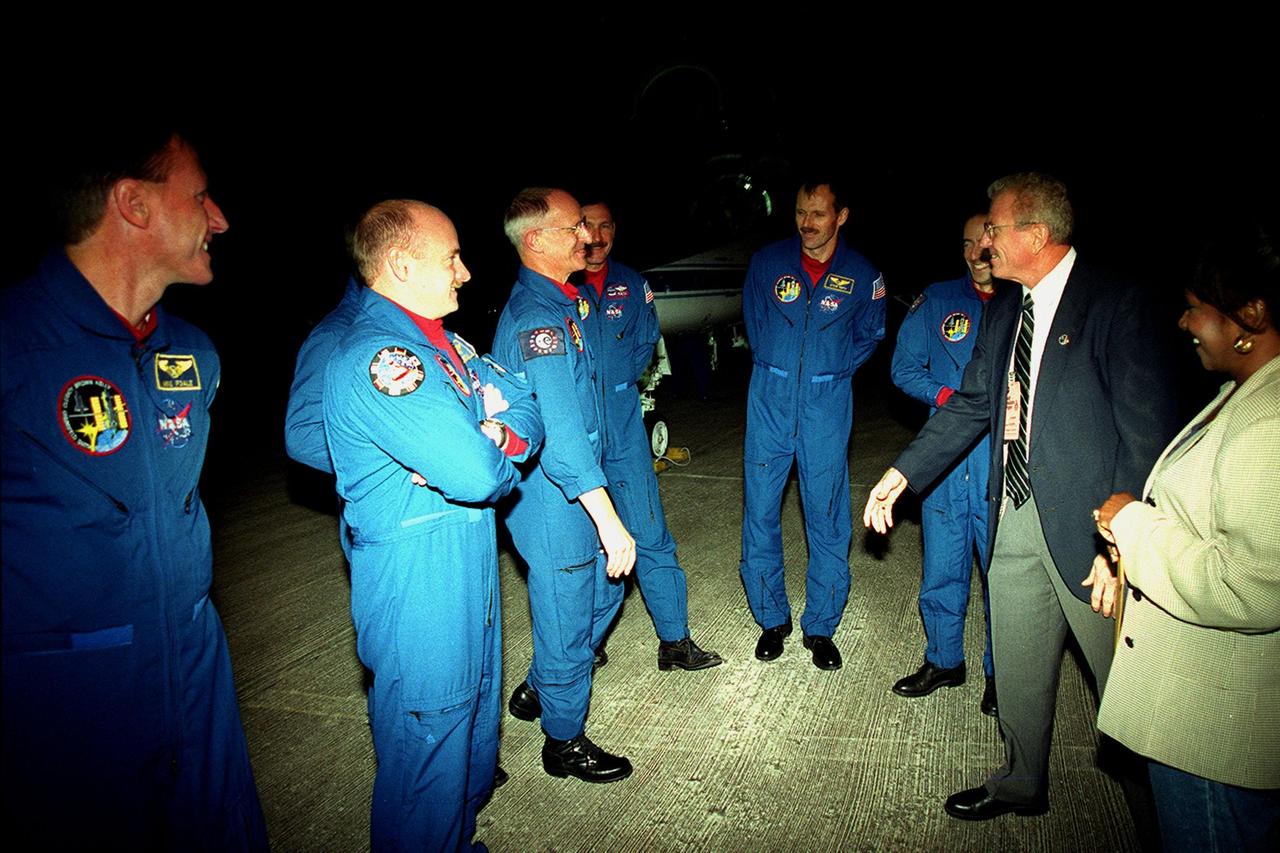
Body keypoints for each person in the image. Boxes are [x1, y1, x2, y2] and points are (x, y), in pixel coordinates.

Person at [863, 172, 1178, 820]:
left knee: (1125, 692)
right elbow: (975, 401)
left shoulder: (1117, 301)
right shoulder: (1008, 306)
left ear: (1035, 234)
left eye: (995, 231)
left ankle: (1165, 818)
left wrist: (1128, 544)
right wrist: (905, 472)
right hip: (1016, 514)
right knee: (1019, 662)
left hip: (1095, 535)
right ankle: (1021, 781)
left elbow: (1150, 435)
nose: (984, 244)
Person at [1, 129, 267, 848]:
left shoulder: (193, 354)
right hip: (68, 718)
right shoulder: (15, 347)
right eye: (201, 195)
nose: (220, 219)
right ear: (133, 204)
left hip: (196, 676)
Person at [322, 200, 542, 850]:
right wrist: (485, 454)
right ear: (399, 263)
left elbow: (525, 404)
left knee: (471, 748)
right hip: (422, 591)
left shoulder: (451, 346)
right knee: (427, 763)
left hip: (468, 571)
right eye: (451, 256)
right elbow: (477, 477)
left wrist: (489, 433)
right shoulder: (383, 361)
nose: (467, 272)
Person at [1093, 227, 1280, 852]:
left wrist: (1133, 526)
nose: (1184, 321)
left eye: (1196, 306)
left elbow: (1251, 585)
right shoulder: (1242, 393)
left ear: (1248, 316)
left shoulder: (1271, 423)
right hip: (1203, 718)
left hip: (1218, 738)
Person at [493, 187, 636, 783]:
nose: (589, 237)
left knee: (602, 598)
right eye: (575, 227)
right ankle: (564, 742)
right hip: (557, 503)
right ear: (536, 241)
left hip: (572, 491)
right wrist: (609, 519)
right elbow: (562, 436)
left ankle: (541, 686)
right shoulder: (538, 321)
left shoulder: (559, 302)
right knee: (570, 617)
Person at [740, 178, 886, 670]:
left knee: (826, 516)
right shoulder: (767, 263)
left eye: (818, 213)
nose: (807, 223)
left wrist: (832, 368)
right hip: (770, 399)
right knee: (760, 510)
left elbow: (871, 334)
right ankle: (771, 619)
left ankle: (821, 625)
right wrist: (778, 367)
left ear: (841, 216)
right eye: (801, 212)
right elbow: (755, 323)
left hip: (827, 403)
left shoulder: (863, 275)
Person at [576, 199, 722, 672]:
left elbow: (645, 341)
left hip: (622, 423)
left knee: (650, 532)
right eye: (586, 228)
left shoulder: (632, 285)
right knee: (582, 548)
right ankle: (582, 647)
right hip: (574, 430)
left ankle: (675, 641)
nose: (595, 238)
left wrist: (616, 382)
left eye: (604, 227)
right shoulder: (558, 288)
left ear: (613, 232)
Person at [890, 213, 997, 715]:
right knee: (942, 565)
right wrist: (949, 396)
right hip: (946, 454)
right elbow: (903, 368)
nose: (976, 254)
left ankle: (1005, 673)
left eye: (985, 243)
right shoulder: (937, 299)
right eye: (967, 244)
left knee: (1003, 574)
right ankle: (944, 659)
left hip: (1003, 458)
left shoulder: (1026, 303)